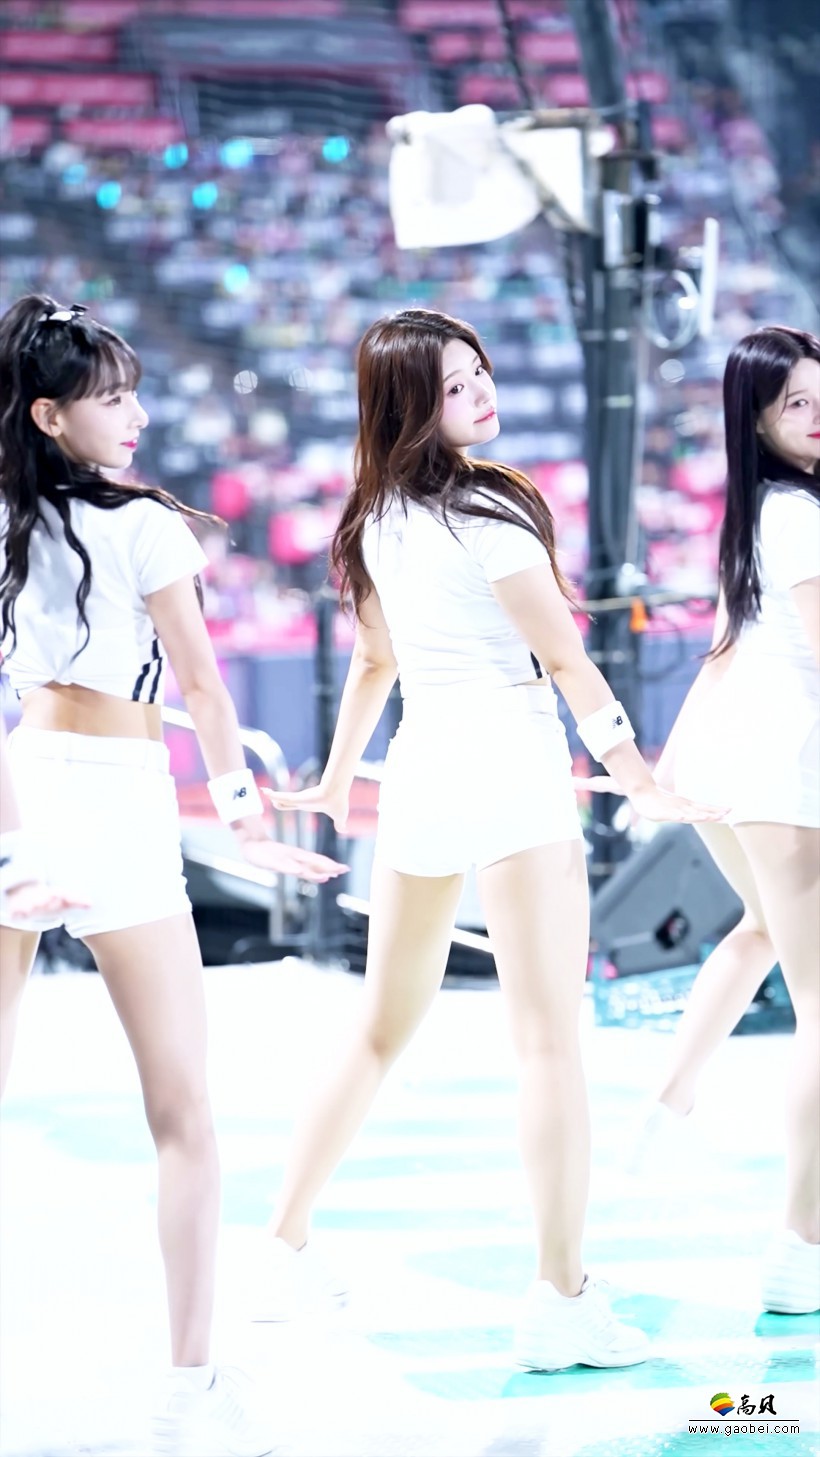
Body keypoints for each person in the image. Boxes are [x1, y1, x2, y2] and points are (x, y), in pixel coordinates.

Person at [262, 307, 724, 1372]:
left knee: (380, 1027)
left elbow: (375, 662)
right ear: (411, 404)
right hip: (510, 765)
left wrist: (336, 775)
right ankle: (562, 1297)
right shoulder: (492, 513)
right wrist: (637, 776)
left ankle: (281, 1243)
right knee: (546, 1042)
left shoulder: (373, 515)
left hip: (423, 768)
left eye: (479, 370)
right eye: (454, 382)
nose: (480, 390)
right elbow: (567, 664)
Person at [0, 294, 346, 1456]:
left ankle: (189, 1381)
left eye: (133, 392)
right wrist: (242, 814)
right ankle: (186, 1381)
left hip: (24, 788)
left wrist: (11, 847)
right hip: (112, 798)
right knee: (183, 1111)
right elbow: (201, 684)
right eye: (111, 398)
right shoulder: (145, 523)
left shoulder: (12, 516)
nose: (136, 414)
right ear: (50, 415)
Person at [628, 325, 820, 1316]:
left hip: (732, 759)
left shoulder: (758, 512)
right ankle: (800, 1246)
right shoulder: (798, 515)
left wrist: (677, 769)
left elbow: (726, 644)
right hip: (784, 768)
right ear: (757, 419)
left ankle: (666, 1105)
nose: (817, 415)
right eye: (796, 404)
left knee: (758, 931)